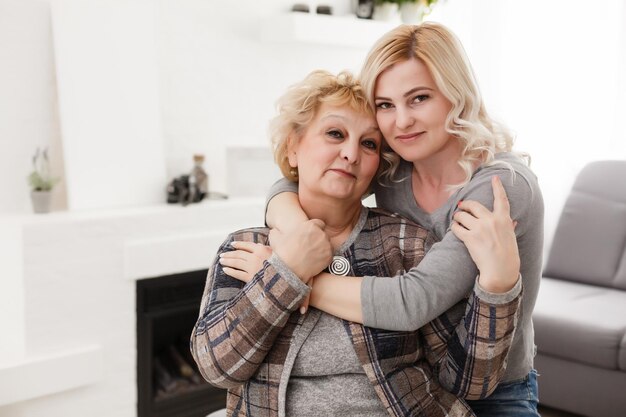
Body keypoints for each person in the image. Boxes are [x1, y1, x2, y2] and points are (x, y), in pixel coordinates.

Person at [246, 22, 544, 417]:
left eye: (418, 98)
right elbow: (299, 178)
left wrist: (288, 276)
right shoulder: (396, 171)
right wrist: (293, 226)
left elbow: (413, 301)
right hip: (417, 384)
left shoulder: (501, 186)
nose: (400, 121)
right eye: (385, 105)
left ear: (456, 96)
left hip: (494, 391)